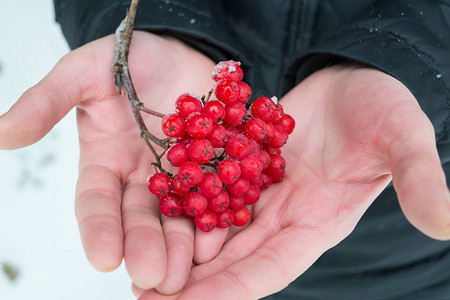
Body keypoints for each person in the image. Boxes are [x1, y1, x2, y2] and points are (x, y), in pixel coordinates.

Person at [1, 0, 449, 299]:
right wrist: (150, 14)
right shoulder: (207, 144)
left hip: (401, 262)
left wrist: (414, 61)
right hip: (239, 248)